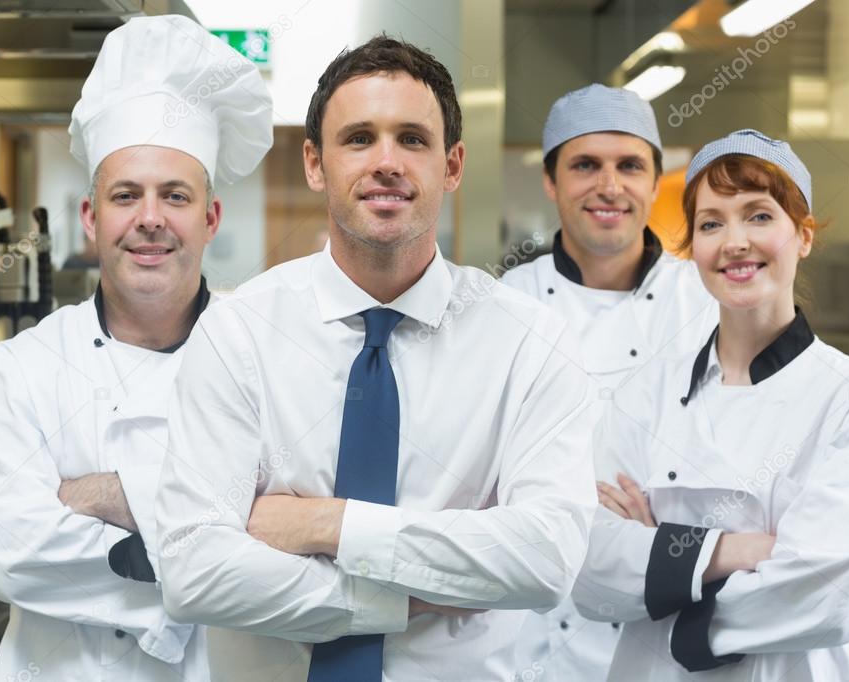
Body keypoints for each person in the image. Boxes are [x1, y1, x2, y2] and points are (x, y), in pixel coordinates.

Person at [155, 35, 595, 682]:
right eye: (358, 138)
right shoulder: (238, 333)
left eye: (412, 140)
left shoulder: (530, 343)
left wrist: (325, 525)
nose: (385, 161)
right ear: (315, 163)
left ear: (451, 166)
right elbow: (194, 573)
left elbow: (544, 558)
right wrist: (406, 592)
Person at [0, 15, 272, 681]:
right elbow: (15, 553)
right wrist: (210, 537)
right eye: (126, 195)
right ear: (90, 217)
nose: (150, 218)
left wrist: (108, 495)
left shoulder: (269, 363)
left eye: (176, 196)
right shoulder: (20, 370)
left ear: (210, 218)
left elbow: (296, 544)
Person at [571, 129, 849, 681]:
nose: (734, 242)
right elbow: (589, 573)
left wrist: (659, 560)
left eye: (758, 216)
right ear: (693, 246)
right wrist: (736, 549)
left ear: (802, 236)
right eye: (711, 223)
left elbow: (832, 591)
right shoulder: (643, 394)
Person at [501, 83, 717, 680]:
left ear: (654, 181)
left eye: (629, 166)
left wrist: (669, 528)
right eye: (585, 165)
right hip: (527, 627)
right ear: (551, 181)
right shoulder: (503, 307)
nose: (610, 186)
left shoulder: (707, 302)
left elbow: (745, 455)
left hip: (658, 622)